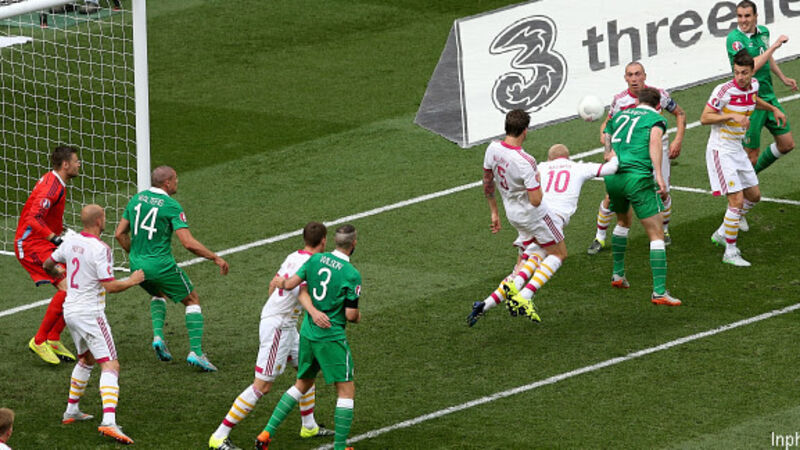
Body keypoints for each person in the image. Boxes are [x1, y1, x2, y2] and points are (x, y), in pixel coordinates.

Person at [208, 222, 334, 450]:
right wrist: (313, 313)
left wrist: (276, 307)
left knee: (307, 370)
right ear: (323, 240)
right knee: (262, 386)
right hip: (279, 327)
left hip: (284, 323)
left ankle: (309, 426)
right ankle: (219, 435)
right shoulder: (311, 262)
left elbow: (273, 284)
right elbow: (301, 291)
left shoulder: (294, 256)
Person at [467, 144, 619, 326]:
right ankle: (524, 294)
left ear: (549, 159)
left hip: (529, 218)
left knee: (528, 260)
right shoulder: (578, 167)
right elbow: (611, 168)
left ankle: (485, 304)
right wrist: (612, 155)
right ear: (567, 158)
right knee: (557, 254)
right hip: (549, 220)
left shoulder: (540, 167)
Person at [44, 204, 145, 445]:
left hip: (70, 311)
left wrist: (62, 277)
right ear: (99, 221)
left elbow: (47, 265)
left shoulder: (70, 241)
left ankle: (71, 410)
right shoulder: (101, 249)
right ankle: (109, 422)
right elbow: (110, 286)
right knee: (111, 364)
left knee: (87, 359)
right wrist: (133, 280)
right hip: (90, 313)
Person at [255, 224, 362, 450]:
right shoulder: (351, 274)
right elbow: (350, 315)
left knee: (302, 383)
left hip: (307, 332)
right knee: (346, 390)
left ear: (334, 241)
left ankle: (266, 433)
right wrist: (358, 316)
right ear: (353, 243)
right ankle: (340, 447)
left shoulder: (315, 260)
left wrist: (279, 283)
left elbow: (290, 284)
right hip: (330, 337)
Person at [114, 166, 229, 372]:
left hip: (137, 265)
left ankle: (158, 337)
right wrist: (215, 257)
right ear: (167, 183)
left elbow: (119, 234)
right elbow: (188, 243)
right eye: (175, 179)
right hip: (160, 265)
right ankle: (196, 352)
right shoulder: (171, 206)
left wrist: (136, 254)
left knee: (158, 293)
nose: (177, 182)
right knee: (192, 299)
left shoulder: (137, 199)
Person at [480, 109, 572, 323]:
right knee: (559, 254)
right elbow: (536, 200)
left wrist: (494, 211)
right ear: (525, 131)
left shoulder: (492, 149)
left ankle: (504, 292)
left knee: (533, 251)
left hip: (512, 215)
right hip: (534, 216)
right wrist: (537, 180)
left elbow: (487, 181)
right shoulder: (526, 160)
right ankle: (524, 295)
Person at [587, 61, 686, 254]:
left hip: (658, 147)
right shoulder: (619, 100)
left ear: (644, 76)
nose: (634, 79)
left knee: (663, 191)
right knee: (612, 195)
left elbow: (680, 113)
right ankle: (599, 237)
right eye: (630, 75)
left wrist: (678, 140)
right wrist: (608, 148)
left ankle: (664, 231)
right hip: (629, 151)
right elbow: (606, 126)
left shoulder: (659, 95)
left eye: (637, 74)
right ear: (625, 78)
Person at [700, 50, 786, 267]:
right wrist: (731, 115)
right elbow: (705, 117)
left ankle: (722, 232)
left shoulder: (754, 85)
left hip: (737, 149)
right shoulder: (723, 91)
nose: (739, 77)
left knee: (754, 196)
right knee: (736, 201)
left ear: (751, 72)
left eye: (744, 73)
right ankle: (730, 252)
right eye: (736, 72)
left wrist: (773, 109)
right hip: (721, 150)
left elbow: (753, 101)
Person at [603, 87, 681, 306]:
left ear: (638, 102)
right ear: (657, 106)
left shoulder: (620, 115)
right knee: (656, 234)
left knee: (622, 222)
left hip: (613, 176)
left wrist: (608, 153)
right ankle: (659, 292)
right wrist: (659, 175)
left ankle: (618, 274)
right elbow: (655, 142)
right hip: (638, 178)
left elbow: (606, 134)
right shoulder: (656, 119)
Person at [15, 145, 81, 365]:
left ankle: (53, 338)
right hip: (31, 245)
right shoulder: (51, 188)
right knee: (68, 287)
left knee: (76, 284)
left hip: (43, 243)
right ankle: (40, 340)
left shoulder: (56, 182)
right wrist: (55, 239)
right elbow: (33, 218)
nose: (79, 164)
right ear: (65, 164)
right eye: (76, 161)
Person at [727, 0, 795, 176]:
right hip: (751, 100)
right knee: (751, 156)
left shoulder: (764, 32)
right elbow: (750, 67)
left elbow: (766, 57)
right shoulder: (734, 39)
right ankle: (742, 187)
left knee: (787, 144)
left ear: (756, 16)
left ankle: (748, 179)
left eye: (747, 16)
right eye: (739, 16)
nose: (743, 20)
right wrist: (774, 47)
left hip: (768, 95)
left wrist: (783, 77)